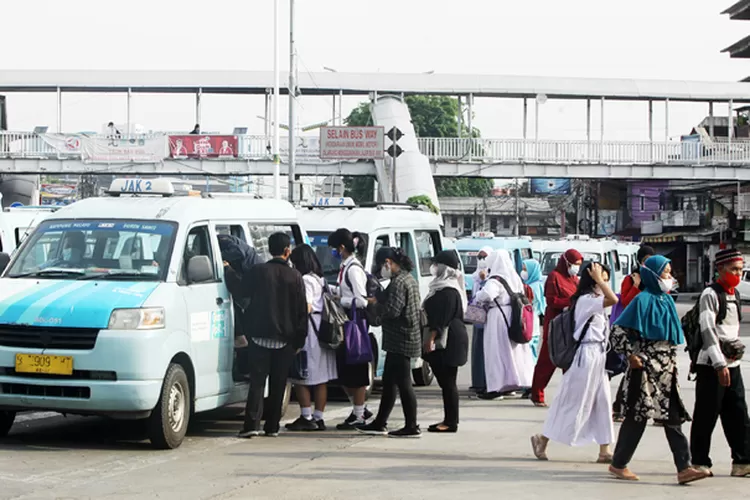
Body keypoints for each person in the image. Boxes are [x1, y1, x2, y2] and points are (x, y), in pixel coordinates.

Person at [609, 255, 709, 484]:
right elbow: (617, 331)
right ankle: (619, 463)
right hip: (645, 367)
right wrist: (630, 355)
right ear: (653, 275)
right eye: (666, 273)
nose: (670, 278)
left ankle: (684, 467)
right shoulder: (641, 300)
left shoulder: (666, 300)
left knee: (672, 416)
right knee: (638, 416)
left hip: (667, 369)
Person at [531, 263, 618, 463]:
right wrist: (598, 279)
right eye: (601, 277)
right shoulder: (586, 300)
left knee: (602, 402)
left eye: (605, 277)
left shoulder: (595, 300)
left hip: (598, 355)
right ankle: (542, 438)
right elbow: (613, 298)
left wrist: (600, 280)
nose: (604, 281)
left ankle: (604, 449)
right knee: (573, 402)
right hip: (585, 355)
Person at [228, 233, 308, 439]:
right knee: (278, 383)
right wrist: (300, 340)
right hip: (285, 339)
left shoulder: (258, 271)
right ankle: (272, 426)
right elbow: (301, 312)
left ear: (269, 250)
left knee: (257, 383)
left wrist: (228, 270)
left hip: (259, 337)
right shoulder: (295, 276)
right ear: (287, 251)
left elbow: (240, 290)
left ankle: (251, 425)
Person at [690, 248, 750, 478]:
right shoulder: (710, 294)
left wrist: (729, 362)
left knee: (738, 413)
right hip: (711, 365)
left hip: (732, 364)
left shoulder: (734, 294)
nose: (738, 273)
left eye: (740, 269)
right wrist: (718, 364)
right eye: (734, 269)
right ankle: (700, 462)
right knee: (706, 415)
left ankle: (743, 461)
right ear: (721, 269)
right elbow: (708, 331)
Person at [357, 247, 422, 438]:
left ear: (388, 262)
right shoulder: (407, 278)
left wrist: (375, 306)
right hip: (400, 339)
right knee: (389, 382)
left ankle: (412, 425)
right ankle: (380, 422)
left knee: (403, 383)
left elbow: (393, 311)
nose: (381, 269)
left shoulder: (399, 282)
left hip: (401, 339)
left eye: (382, 265)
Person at [285, 244, 338, 432]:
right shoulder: (320, 279)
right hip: (321, 329)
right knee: (321, 378)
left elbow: (306, 306)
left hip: (309, 330)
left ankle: (306, 416)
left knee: (301, 375)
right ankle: (319, 417)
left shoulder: (306, 280)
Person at [327, 228, 373, 429]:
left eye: (333, 249)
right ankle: (358, 410)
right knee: (345, 372)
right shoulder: (345, 267)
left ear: (342, 248)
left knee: (355, 369)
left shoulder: (353, 269)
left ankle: (359, 414)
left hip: (354, 322)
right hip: (347, 320)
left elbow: (361, 300)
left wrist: (341, 299)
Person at [474, 250, 535, 396]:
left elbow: (486, 295)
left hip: (498, 317)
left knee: (496, 351)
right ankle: (520, 382)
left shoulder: (495, 280)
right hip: (514, 315)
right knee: (515, 352)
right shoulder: (515, 278)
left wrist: (477, 295)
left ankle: (497, 387)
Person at [422, 250, 469, 433]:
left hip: (448, 340)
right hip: (450, 337)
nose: (434, 267)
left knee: (448, 382)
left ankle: (451, 422)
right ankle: (449, 419)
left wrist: (431, 339)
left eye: (437, 264)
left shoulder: (448, 291)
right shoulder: (444, 287)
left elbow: (441, 320)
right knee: (447, 382)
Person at [530, 249, 583, 407]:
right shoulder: (554, 277)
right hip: (555, 323)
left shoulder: (574, 279)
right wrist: (571, 303)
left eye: (578, 265)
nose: (576, 268)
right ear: (566, 262)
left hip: (570, 323)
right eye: (574, 264)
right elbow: (552, 300)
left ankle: (569, 395)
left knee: (569, 359)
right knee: (548, 359)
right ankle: (537, 393)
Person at [612, 245, 655, 422]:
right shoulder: (631, 279)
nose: (649, 264)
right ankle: (619, 407)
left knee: (651, 371)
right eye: (646, 261)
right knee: (633, 369)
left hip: (651, 328)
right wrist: (637, 285)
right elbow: (627, 300)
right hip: (635, 329)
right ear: (639, 261)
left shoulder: (655, 278)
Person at [470, 246, 493, 396]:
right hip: (477, 314)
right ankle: (477, 381)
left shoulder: (493, 276)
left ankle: (487, 382)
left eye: (485, 257)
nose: (482, 260)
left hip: (489, 317)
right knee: (477, 347)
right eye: (480, 257)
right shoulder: (475, 276)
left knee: (487, 348)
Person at [521, 258, 545, 364]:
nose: (523, 272)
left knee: (528, 352)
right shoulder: (538, 284)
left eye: (525, 269)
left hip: (529, 320)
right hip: (534, 321)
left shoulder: (532, 287)